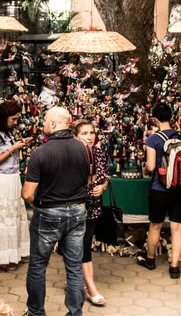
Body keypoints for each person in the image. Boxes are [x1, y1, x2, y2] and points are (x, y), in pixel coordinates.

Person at [21, 106, 89, 316]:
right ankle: (75, 313)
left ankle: (36, 313)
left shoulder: (40, 152)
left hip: (48, 213)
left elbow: (27, 193)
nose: (42, 125)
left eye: (44, 121)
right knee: (75, 267)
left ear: (52, 123)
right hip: (77, 211)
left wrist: (36, 203)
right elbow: (86, 180)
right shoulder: (83, 148)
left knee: (38, 266)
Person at [137, 102, 181, 279]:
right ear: (171, 116)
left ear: (155, 119)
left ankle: (150, 259)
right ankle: (174, 267)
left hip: (159, 188)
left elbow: (151, 166)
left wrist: (145, 170)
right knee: (177, 227)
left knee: (155, 225)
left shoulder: (153, 139)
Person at [0, 100, 30, 271]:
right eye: (14, 119)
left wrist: (18, 144)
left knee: (14, 216)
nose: (16, 122)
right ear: (5, 117)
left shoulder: (6, 132)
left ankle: (15, 253)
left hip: (11, 178)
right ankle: (1, 258)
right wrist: (14, 148)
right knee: (1, 218)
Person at [71, 119, 109, 306]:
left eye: (91, 133)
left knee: (85, 243)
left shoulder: (99, 153)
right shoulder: (73, 154)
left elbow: (106, 176)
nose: (89, 136)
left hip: (94, 207)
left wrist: (102, 186)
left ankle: (75, 279)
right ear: (76, 137)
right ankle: (91, 287)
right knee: (81, 244)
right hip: (76, 206)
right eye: (84, 133)